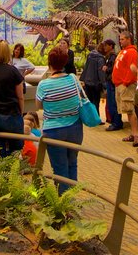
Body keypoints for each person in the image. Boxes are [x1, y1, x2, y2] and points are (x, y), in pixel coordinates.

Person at [36, 47, 84, 192]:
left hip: (54, 130)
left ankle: (63, 205)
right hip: (75, 128)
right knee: (72, 163)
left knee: (60, 167)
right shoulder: (73, 79)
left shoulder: (44, 84)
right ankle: (71, 199)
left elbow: (39, 106)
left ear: (49, 62)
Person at [113, 31, 138, 146]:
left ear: (129, 39)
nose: (120, 41)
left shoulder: (131, 52)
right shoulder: (123, 51)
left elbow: (132, 68)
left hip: (126, 85)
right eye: (120, 39)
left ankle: (136, 135)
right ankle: (133, 133)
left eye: (123, 39)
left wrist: (126, 83)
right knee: (126, 110)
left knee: (130, 110)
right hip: (119, 85)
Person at [79, 39, 108, 124]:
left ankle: (90, 119)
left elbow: (86, 67)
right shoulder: (100, 58)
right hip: (96, 83)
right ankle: (96, 119)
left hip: (88, 82)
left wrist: (83, 79)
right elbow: (100, 72)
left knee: (90, 101)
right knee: (96, 101)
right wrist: (104, 84)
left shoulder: (90, 55)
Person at [102, 40, 123, 131]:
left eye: (106, 45)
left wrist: (107, 69)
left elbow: (114, 68)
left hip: (111, 82)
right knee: (110, 103)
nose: (104, 47)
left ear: (111, 46)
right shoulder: (109, 56)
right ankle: (115, 122)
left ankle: (116, 123)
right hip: (109, 81)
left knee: (113, 102)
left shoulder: (113, 56)